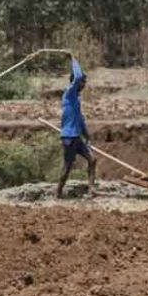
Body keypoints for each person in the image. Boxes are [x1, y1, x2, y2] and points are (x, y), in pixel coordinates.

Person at [56, 57, 96, 198]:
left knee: (92, 159)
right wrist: (73, 59)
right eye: (83, 82)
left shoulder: (76, 100)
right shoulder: (69, 93)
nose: (84, 84)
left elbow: (79, 119)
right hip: (68, 137)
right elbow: (78, 75)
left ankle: (91, 190)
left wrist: (86, 134)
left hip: (77, 137)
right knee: (67, 167)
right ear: (76, 83)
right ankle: (58, 193)